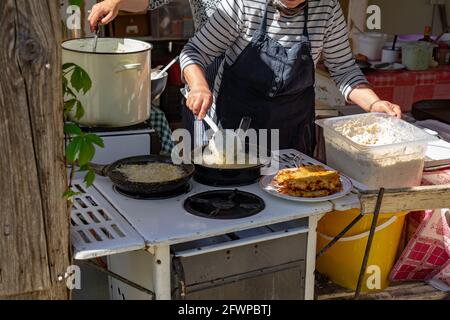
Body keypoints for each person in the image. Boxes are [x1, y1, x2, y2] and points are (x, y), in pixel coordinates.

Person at [180, 0, 402, 156]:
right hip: (236, 133)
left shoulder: (327, 8)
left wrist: (374, 103)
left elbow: (343, 68)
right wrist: (199, 86)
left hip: (294, 136)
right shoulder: (244, 3)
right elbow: (194, 52)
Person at [88, 0, 223, 147]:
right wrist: (116, 2)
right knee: (206, 153)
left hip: (246, 71)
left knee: (246, 150)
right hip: (204, 65)